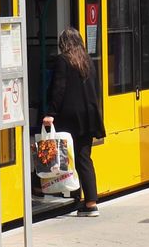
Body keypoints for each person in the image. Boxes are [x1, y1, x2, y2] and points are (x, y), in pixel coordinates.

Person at [43, 26, 105, 217]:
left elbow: (59, 89)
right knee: (83, 158)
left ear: (64, 43)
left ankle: (81, 199)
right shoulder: (87, 60)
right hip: (89, 117)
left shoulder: (63, 61)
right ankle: (89, 201)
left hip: (69, 117)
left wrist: (50, 113)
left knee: (69, 157)